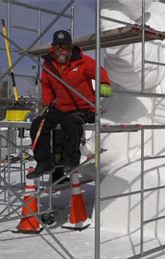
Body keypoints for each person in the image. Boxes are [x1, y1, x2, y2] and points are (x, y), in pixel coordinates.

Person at [27, 30, 112, 178]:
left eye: (65, 46)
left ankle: (71, 161)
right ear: (53, 48)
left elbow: (98, 70)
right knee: (38, 124)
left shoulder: (82, 61)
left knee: (70, 123)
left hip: (83, 107)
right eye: (58, 46)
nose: (61, 50)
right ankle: (44, 162)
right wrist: (46, 105)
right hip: (60, 107)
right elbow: (46, 86)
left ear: (70, 47)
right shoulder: (49, 66)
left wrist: (104, 82)